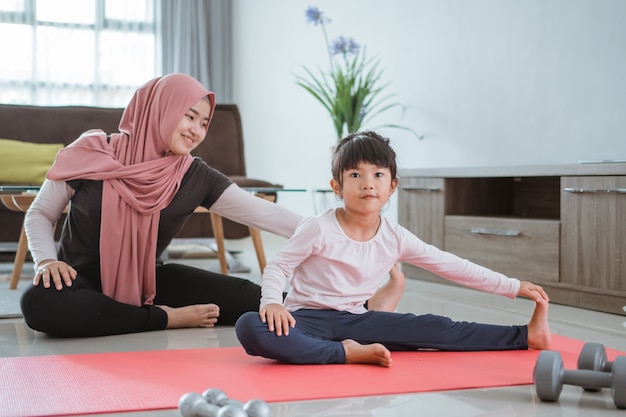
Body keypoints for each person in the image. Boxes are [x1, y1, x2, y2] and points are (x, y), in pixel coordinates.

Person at [20, 74, 404, 338]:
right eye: (188, 116)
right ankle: (165, 320)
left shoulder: (193, 174)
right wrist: (46, 260)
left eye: (203, 123)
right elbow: (41, 213)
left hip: (149, 284)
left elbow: (265, 213)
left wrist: (350, 235)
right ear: (160, 108)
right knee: (38, 304)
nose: (196, 130)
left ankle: (359, 309)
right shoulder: (92, 151)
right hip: (78, 280)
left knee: (254, 299)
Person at [235, 131, 552, 367]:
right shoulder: (318, 227)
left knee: (436, 327)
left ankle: (525, 336)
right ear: (337, 186)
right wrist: (273, 303)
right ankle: (346, 353)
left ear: (392, 186)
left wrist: (513, 287)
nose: (367, 184)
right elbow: (278, 266)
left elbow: (451, 265)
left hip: (359, 321)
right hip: (306, 319)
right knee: (249, 326)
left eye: (377, 175)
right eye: (355, 175)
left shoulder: (395, 237)